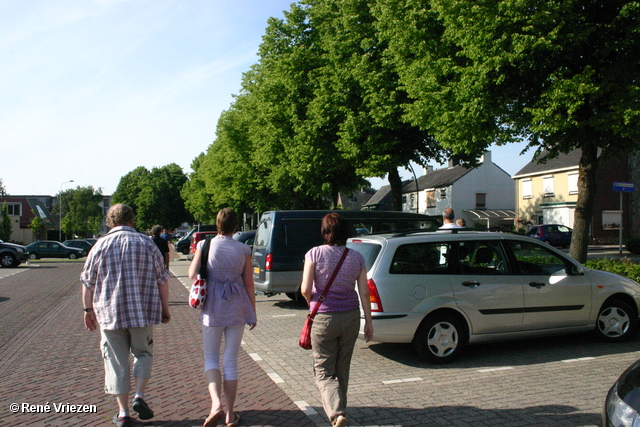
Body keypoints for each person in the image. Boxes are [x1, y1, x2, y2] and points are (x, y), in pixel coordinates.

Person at [80, 204, 171, 427]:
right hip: (141, 312)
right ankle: (139, 396)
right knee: (143, 354)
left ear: (110, 221)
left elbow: (87, 282)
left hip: (109, 314)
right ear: (132, 220)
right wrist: (165, 308)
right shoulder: (147, 243)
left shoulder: (99, 246)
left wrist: (87, 310)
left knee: (116, 362)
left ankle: (122, 413)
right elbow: (163, 279)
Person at [300, 213, 373, 427]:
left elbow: (305, 288)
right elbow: (365, 293)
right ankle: (340, 411)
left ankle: (337, 413)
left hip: (324, 317)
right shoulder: (357, 258)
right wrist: (368, 321)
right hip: (351, 317)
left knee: (323, 369)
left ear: (325, 232)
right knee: (342, 368)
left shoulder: (313, 254)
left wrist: (312, 303)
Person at [188, 208, 257, 427]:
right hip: (237, 305)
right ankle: (229, 414)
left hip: (212, 307)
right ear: (236, 226)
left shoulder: (204, 245)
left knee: (210, 357)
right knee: (230, 362)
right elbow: (248, 283)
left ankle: (215, 404)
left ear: (216, 224)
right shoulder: (244, 248)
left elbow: (192, 274)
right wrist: (252, 311)